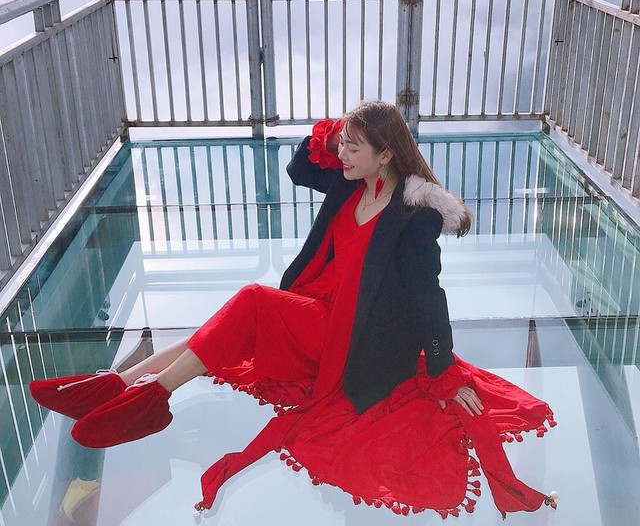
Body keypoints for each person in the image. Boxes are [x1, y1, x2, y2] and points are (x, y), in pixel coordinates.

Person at [30, 100, 557, 519]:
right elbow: (300, 166)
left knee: (250, 302)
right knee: (232, 321)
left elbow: (428, 298)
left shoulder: (413, 217)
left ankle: (151, 396)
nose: (343, 155)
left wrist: (443, 371)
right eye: (343, 144)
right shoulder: (349, 185)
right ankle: (120, 385)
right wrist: (334, 135)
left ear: (386, 155)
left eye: (354, 147)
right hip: (316, 308)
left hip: (352, 337)